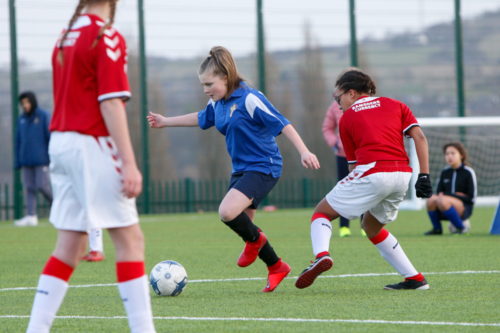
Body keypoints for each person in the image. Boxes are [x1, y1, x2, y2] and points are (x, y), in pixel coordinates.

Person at [26, 1, 156, 332]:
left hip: (61, 144)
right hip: (91, 144)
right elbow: (110, 102)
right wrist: (128, 162)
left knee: (70, 246)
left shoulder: (65, 35)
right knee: (131, 240)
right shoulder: (106, 36)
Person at [147, 46, 320, 292]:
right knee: (245, 227)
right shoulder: (217, 102)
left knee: (227, 212)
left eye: (209, 84)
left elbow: (282, 124)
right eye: (202, 86)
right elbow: (200, 118)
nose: (206, 90)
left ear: (226, 77)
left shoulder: (249, 98)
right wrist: (166, 122)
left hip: (264, 166)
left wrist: (304, 151)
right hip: (241, 169)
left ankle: (256, 242)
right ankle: (276, 266)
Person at [295, 70, 433, 291]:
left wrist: (358, 196)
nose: (338, 105)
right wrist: (424, 176)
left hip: (373, 172)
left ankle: (321, 256)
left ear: (351, 93)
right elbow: (419, 136)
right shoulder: (396, 104)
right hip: (402, 175)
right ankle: (415, 279)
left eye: (337, 98)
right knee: (371, 226)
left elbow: (353, 167)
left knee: (321, 213)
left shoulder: (347, 118)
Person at [322, 68, 365, 238]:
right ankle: (344, 227)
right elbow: (327, 128)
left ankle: (365, 225)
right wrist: (336, 144)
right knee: (344, 188)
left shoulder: (367, 105)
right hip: (343, 155)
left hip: (363, 155)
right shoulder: (335, 106)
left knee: (365, 188)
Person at [14, 91, 53, 227]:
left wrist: (51, 157)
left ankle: (57, 206)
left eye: (27, 102)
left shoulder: (43, 116)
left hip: (41, 160)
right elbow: (18, 141)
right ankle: (31, 216)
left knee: (42, 186)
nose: (25, 105)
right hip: (26, 160)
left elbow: (50, 138)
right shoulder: (21, 119)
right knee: (29, 187)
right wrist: (17, 160)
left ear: (33, 101)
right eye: (23, 103)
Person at [424, 142, 476, 235]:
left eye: (453, 153)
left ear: (461, 155)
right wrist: (451, 195)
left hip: (464, 207)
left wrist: (450, 196)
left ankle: (461, 228)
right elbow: (439, 192)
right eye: (447, 154)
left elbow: (471, 198)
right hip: (443, 205)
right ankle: (437, 229)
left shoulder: (468, 172)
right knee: (431, 199)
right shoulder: (445, 172)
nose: (449, 156)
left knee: (443, 200)